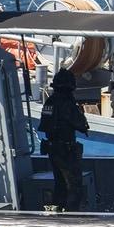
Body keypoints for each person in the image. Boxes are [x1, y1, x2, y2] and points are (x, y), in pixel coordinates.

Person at [39, 68, 89, 210]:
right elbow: (81, 124)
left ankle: (58, 210)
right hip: (66, 150)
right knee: (74, 186)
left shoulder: (49, 102)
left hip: (53, 148)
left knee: (60, 184)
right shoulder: (67, 103)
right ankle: (71, 215)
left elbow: (45, 125)